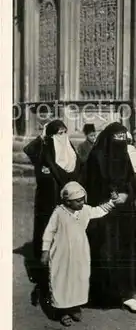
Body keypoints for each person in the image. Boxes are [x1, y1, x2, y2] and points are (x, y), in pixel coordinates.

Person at [41, 181, 121, 327]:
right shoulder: (59, 212)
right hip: (61, 253)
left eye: (83, 199)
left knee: (79, 277)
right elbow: (49, 232)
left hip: (80, 252)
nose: (82, 203)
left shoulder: (85, 210)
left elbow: (99, 210)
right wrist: (45, 251)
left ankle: (75, 306)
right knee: (62, 279)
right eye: (78, 201)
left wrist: (112, 202)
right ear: (67, 201)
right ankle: (63, 310)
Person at [85, 122, 136, 313]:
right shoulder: (96, 157)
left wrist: (126, 194)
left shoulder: (124, 155)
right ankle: (103, 294)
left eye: (122, 138)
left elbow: (130, 182)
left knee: (126, 250)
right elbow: (88, 184)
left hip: (125, 213)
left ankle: (127, 294)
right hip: (103, 212)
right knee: (105, 250)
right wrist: (105, 197)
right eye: (116, 137)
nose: (119, 142)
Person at [23, 119, 81, 301]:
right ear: (50, 136)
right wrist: (42, 137)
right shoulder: (43, 155)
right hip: (48, 207)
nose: (62, 137)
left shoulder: (72, 154)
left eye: (65, 132)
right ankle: (45, 283)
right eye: (58, 133)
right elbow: (28, 149)